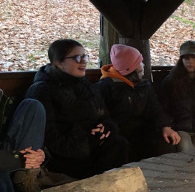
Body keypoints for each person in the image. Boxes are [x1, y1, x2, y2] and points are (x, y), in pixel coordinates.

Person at [25, 39, 129, 179]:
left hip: (92, 147)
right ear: (58, 62)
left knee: (119, 144)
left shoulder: (86, 85)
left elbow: (106, 117)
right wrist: (87, 143)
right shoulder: (42, 91)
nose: (83, 61)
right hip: (65, 156)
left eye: (85, 56)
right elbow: (49, 138)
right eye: (77, 57)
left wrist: (106, 129)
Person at [98, 44, 180, 161]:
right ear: (130, 69)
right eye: (139, 64)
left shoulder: (143, 86)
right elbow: (103, 116)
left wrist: (165, 126)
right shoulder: (106, 87)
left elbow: (155, 108)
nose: (143, 65)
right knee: (121, 147)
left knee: (166, 139)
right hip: (119, 134)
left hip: (143, 131)